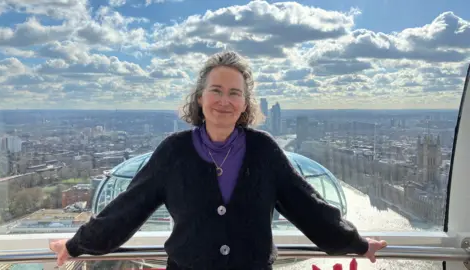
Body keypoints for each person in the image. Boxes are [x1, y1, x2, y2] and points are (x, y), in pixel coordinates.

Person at [50, 51, 386, 269]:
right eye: (216, 90)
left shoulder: (264, 151)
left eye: (235, 93)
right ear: (200, 97)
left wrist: (356, 243)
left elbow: (308, 208)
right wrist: (76, 244)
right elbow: (127, 210)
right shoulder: (174, 152)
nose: (224, 101)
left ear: (245, 104)